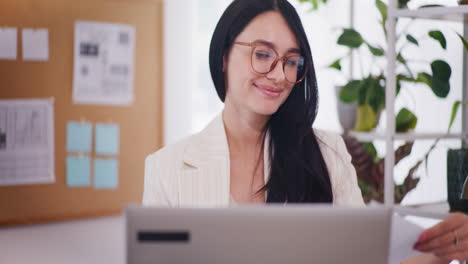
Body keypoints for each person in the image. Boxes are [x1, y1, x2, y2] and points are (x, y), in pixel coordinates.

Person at [143, 0, 468, 262]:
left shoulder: (326, 153)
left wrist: (440, 251)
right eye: (262, 54)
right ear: (224, 55)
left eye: (292, 61)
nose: (279, 74)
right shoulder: (167, 169)